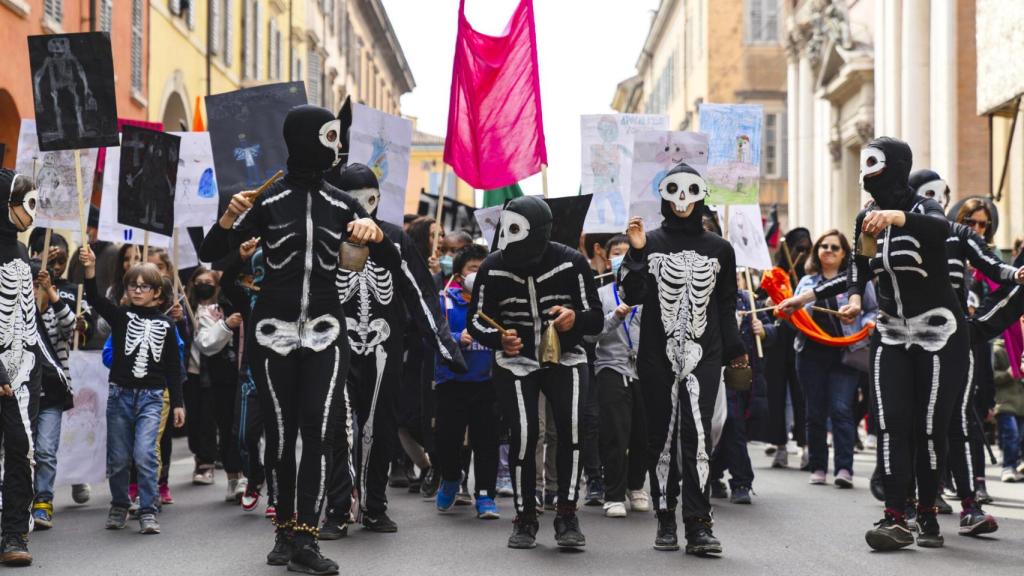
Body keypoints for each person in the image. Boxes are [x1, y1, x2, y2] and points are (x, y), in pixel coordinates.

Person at [200, 104, 388, 574]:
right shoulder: (265, 200)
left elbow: (358, 262)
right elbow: (212, 254)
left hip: (327, 334)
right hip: (271, 335)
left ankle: (307, 537)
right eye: (329, 136)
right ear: (306, 138)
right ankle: (285, 528)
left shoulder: (343, 204)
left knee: (321, 432)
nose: (337, 146)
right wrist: (227, 219)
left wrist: (370, 234)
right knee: (281, 438)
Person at [779, 137, 976, 551]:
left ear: (897, 165)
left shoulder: (923, 208)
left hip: (939, 333)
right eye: (864, 163)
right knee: (890, 424)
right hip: (889, 332)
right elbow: (859, 268)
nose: (866, 171)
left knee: (928, 427)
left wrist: (897, 217)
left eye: (874, 162)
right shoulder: (865, 216)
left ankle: (927, 513)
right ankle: (895, 515)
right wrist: (852, 299)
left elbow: (940, 228)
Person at [322, 163, 464, 537]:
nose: (362, 207)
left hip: (386, 344)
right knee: (340, 426)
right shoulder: (326, 235)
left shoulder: (395, 239)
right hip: (337, 344)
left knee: (379, 428)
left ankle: (373, 505)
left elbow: (420, 292)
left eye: (369, 199)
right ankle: (338, 505)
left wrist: (443, 344)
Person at [620, 162, 747, 556]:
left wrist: (736, 349)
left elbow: (726, 305)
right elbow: (631, 294)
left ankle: (698, 524)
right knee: (660, 438)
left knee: (697, 438)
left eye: (690, 191)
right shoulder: (649, 241)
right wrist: (638, 253)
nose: (681, 200)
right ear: (663, 194)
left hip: (704, 352)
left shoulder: (720, 249)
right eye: (674, 191)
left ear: (701, 194)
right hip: (657, 354)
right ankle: (664, 516)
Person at [468, 195, 602, 549]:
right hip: (516, 363)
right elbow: (475, 320)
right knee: (524, 436)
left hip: (568, 357)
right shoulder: (492, 267)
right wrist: (499, 339)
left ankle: (567, 514)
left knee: (571, 435)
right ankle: (525, 516)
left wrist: (574, 319)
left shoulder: (572, 262)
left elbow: (595, 317)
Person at [79, 243, 185, 536]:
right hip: (120, 395)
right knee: (118, 457)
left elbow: (174, 368)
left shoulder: (166, 325)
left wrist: (177, 403)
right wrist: (89, 270)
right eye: (133, 286)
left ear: (157, 293)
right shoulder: (122, 317)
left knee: (145, 454)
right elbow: (96, 299)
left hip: (151, 397)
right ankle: (120, 504)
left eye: (144, 286)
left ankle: (148, 509)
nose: (137, 290)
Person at [792, 230, 876, 489]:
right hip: (810, 353)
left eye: (834, 247)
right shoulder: (806, 282)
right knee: (814, 411)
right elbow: (793, 312)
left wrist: (868, 322)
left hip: (845, 353)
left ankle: (844, 468)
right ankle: (818, 465)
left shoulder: (858, 281)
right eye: (823, 246)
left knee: (841, 410)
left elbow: (872, 308)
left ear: (844, 254)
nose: (828, 250)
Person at [584, 234, 649, 518]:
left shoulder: (649, 293)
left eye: (628, 251)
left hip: (644, 370)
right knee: (615, 432)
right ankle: (613, 493)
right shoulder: (600, 294)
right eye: (617, 252)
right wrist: (615, 319)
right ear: (608, 258)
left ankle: (636, 486)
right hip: (611, 367)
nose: (623, 256)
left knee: (642, 433)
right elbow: (589, 334)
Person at [434, 244, 499, 519]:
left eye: (483, 268)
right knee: (447, 441)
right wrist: (457, 336)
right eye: (473, 268)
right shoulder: (443, 301)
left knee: (487, 442)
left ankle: (485, 495)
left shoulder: (496, 301)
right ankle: (450, 477)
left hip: (487, 383)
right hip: (452, 381)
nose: (478, 273)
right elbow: (432, 332)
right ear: (460, 272)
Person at [710, 271, 776, 505]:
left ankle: (713, 472)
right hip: (715, 373)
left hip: (747, 375)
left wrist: (764, 330)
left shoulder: (748, 301)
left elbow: (773, 330)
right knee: (729, 424)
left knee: (740, 425)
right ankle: (741, 482)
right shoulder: (706, 299)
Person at [185, 266, 245, 501]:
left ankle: (254, 475)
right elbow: (205, 342)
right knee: (226, 425)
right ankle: (234, 475)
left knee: (248, 429)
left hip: (249, 374)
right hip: (221, 378)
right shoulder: (212, 312)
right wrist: (227, 325)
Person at [29, 263, 76, 530]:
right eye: (32, 286)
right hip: (25, 395)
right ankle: (20, 499)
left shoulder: (53, 315)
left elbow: (71, 327)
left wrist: (51, 292)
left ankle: (43, 501)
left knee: (46, 451)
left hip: (51, 397)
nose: (35, 292)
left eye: (39, 287)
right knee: (22, 451)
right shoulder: (17, 315)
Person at [992, 338, 1024, 482]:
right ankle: (1008, 466)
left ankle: (1017, 464)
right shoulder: (997, 350)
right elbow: (990, 375)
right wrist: (1009, 374)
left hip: (1021, 404)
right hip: (1004, 402)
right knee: (1011, 434)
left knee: (1020, 437)